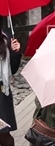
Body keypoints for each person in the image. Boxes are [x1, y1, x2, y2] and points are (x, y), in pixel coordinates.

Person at [0, 17, 22, 146]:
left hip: (2, 95)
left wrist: (16, 52)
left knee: (3, 135)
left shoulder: (5, 39)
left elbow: (12, 70)